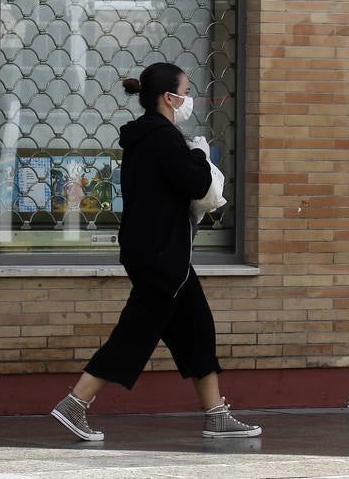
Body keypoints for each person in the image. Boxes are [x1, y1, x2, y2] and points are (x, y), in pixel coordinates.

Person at [50, 62, 260, 442]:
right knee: (135, 333)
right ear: (169, 97)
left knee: (197, 329)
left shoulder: (144, 137)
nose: (188, 98)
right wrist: (200, 154)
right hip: (162, 256)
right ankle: (75, 403)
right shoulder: (163, 138)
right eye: (185, 90)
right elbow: (197, 185)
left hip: (159, 252)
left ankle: (216, 414)